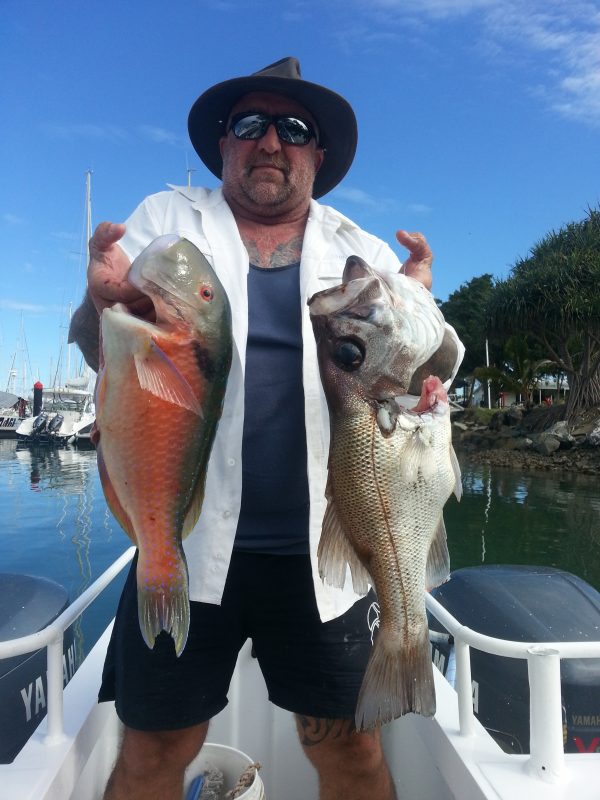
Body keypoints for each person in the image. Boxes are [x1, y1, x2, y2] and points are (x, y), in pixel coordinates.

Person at [69, 57, 440, 800]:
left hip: (326, 557)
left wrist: (424, 332)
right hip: (188, 544)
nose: (271, 142)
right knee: (153, 749)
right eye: (250, 125)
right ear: (224, 143)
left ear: (318, 152)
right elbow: (95, 341)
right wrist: (99, 302)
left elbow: (432, 360)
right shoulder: (165, 221)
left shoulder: (356, 247)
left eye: (293, 128)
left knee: (351, 752)